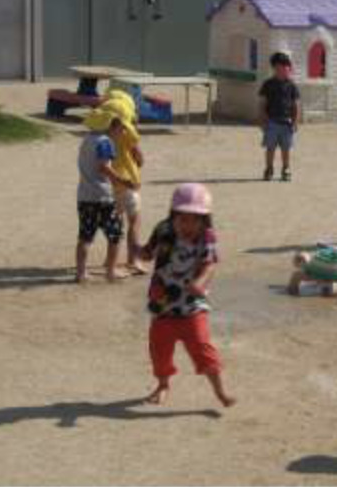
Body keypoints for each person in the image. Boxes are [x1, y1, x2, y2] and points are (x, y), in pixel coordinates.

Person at [138, 183, 236, 408]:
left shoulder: (207, 237)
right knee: (159, 351)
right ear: (173, 215)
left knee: (202, 348)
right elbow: (148, 252)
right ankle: (162, 385)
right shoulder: (163, 229)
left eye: (195, 219)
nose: (188, 225)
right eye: (183, 219)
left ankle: (221, 392)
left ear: (205, 220)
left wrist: (200, 283)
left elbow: (210, 265)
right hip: (162, 306)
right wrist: (139, 252)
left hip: (192, 306)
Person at [75, 110, 137, 283]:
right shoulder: (105, 142)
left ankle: (80, 273)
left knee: (85, 236)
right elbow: (104, 167)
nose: (122, 132)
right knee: (115, 234)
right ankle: (111, 271)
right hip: (102, 196)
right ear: (112, 126)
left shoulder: (86, 140)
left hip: (84, 195)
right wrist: (122, 180)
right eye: (121, 128)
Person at [104, 91, 146, 275]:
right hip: (128, 182)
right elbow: (139, 157)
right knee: (134, 220)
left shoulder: (102, 132)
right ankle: (133, 259)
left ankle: (110, 259)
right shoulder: (128, 131)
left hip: (109, 182)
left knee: (115, 222)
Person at [258, 52, 301, 182]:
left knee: (286, 148)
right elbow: (262, 104)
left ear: (289, 68)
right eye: (278, 68)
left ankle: (286, 168)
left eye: (285, 67)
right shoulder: (268, 84)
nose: (282, 70)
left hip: (287, 123)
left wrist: (295, 121)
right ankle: (269, 168)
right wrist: (263, 120)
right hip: (271, 122)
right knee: (270, 148)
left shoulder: (292, 86)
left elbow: (296, 105)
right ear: (274, 69)